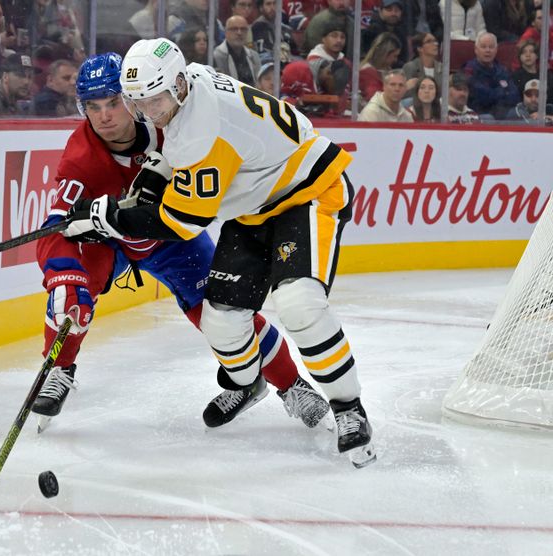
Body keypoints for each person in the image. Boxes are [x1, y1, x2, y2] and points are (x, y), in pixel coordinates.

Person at [64, 39, 376, 468]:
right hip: (254, 206)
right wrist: (152, 180)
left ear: (175, 85)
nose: (149, 114)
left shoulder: (202, 128)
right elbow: (174, 152)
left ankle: (349, 409)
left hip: (305, 194)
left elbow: (181, 223)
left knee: (299, 302)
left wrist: (109, 216)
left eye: (155, 102)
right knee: (221, 320)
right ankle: (247, 385)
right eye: (140, 104)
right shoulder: (189, 81)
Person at [32, 51, 331, 432]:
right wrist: (62, 274)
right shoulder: (80, 157)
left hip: (170, 237)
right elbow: (55, 227)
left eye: (113, 102)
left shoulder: (169, 125)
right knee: (74, 291)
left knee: (223, 311)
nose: (104, 115)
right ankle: (59, 369)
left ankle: (291, 385)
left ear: (132, 98)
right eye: (93, 106)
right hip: (109, 242)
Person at [463, 32, 520, 120]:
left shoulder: (502, 70)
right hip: (480, 114)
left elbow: (515, 95)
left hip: (503, 113)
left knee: (519, 113)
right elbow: (483, 97)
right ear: (476, 50)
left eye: (491, 47)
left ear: (496, 50)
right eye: (483, 47)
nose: (488, 50)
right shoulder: (469, 70)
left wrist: (496, 93)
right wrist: (504, 92)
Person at [0, 52, 35, 116]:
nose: (26, 82)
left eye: (30, 77)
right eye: (20, 75)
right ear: (5, 77)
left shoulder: (14, 104)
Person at [213, 15, 261, 86]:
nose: (239, 33)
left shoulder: (254, 56)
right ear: (226, 32)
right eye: (234, 29)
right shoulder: (216, 56)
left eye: (243, 29)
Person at [362, 0, 410, 66]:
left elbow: (404, 58)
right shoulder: (371, 31)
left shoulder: (401, 32)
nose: (393, 13)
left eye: (396, 10)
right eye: (389, 10)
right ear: (380, 11)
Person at [359, 31, 402, 102]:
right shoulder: (366, 72)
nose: (396, 60)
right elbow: (374, 97)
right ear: (384, 53)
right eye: (394, 56)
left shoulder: (388, 70)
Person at [401, 32, 442, 98]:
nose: (435, 44)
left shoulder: (442, 68)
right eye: (429, 41)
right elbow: (406, 94)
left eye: (435, 41)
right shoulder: (410, 67)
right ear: (419, 48)